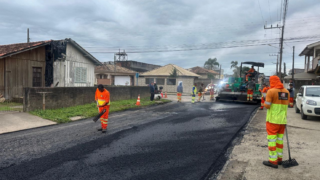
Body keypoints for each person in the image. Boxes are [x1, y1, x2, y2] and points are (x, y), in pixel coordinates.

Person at [263, 75, 290, 168]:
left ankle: (273, 161)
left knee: (272, 141)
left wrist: (264, 97)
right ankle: (279, 159)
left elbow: (267, 105)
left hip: (272, 121)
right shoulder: (287, 92)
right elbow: (289, 104)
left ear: (272, 82)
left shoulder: (271, 91)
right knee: (279, 140)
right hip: (282, 121)